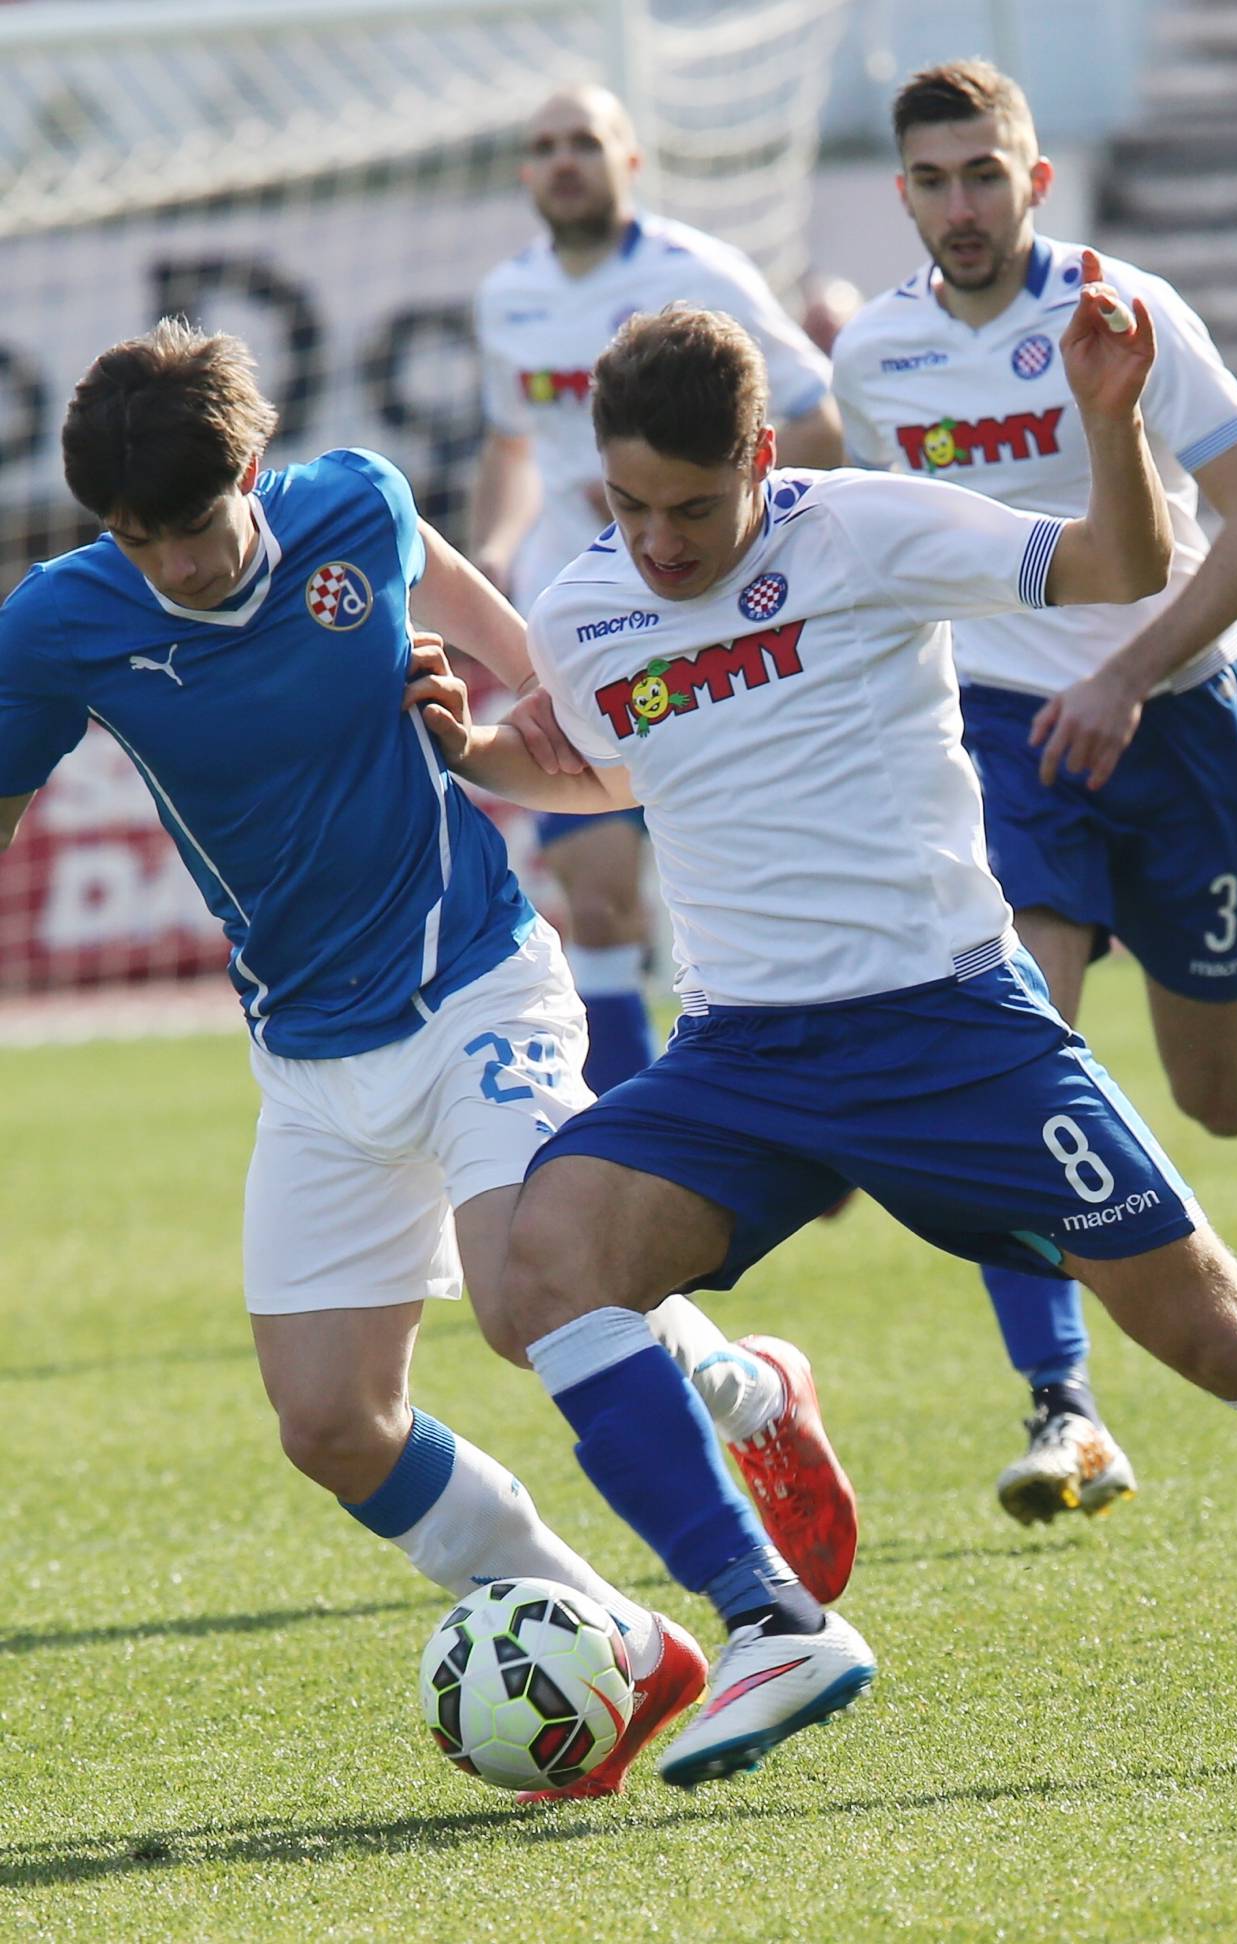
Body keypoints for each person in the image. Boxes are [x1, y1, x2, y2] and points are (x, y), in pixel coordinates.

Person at [411, 296, 1237, 1791]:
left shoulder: (860, 532)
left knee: (1217, 1336)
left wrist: (1106, 422)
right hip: (744, 1062)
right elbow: (591, 753)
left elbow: (1119, 564)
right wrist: (473, 747)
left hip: (951, 1031)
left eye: (693, 508)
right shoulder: (593, 605)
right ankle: (769, 1620)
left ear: (763, 460)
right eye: (632, 507)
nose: (659, 544)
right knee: (539, 1269)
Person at [0, 319, 855, 1802]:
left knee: (536, 1302)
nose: (177, 567)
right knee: (333, 1426)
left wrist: (578, 766)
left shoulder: (358, 509)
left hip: (474, 982)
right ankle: (630, 1619)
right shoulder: (61, 620)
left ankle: (762, 1601)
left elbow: (533, 666)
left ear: (253, 472)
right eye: (139, 539)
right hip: (309, 1055)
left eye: (197, 528)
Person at [829, 60, 1237, 1525]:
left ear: (1037, 181)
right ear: (901, 191)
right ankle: (1067, 1409)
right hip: (1005, 738)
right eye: (932, 179)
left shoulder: (1127, 313)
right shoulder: (875, 360)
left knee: (1215, 1101)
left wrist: (1124, 671)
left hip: (1170, 720)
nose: (961, 204)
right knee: (1013, 1053)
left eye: (987, 173)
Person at [471, 84, 844, 1096]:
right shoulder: (506, 296)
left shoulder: (699, 276)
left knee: (743, 898)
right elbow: (512, 444)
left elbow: (815, 414)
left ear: (631, 161)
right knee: (593, 902)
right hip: (584, 628)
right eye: (543, 145)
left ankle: (804, 1093)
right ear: (524, 172)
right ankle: (643, 1133)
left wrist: (726, 519)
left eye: (584, 142)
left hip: (712, 627)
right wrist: (500, 546)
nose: (563, 161)